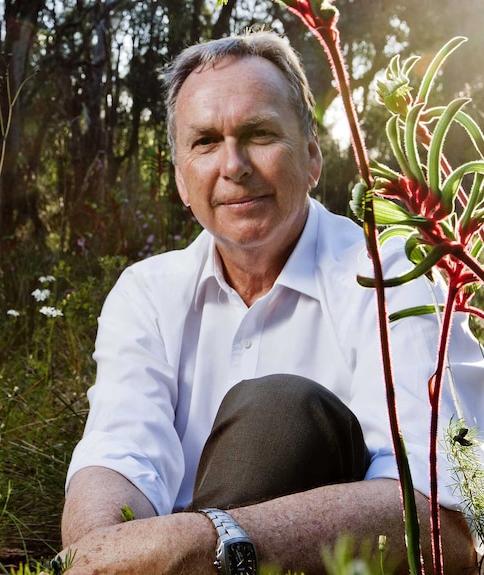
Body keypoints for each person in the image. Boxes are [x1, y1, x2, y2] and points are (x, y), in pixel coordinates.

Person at [59, 30, 483, 575]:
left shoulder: (396, 273)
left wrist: (203, 543)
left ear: (311, 159)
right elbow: (117, 458)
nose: (233, 165)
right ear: (181, 181)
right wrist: (102, 555)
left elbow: (447, 519)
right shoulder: (146, 292)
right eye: (206, 142)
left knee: (282, 415)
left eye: (259, 134)